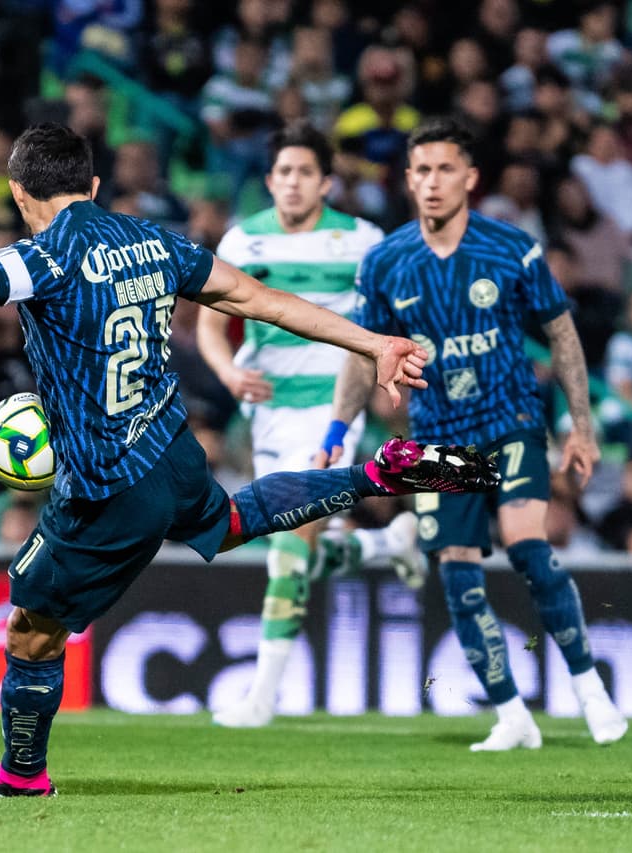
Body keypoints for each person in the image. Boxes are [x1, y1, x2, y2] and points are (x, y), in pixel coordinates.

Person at [0, 123, 498, 797]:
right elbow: (256, 297)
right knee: (235, 516)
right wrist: (372, 344)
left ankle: (22, 774)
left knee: (29, 626)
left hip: (105, 482)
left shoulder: (44, 256)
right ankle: (380, 472)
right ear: (90, 186)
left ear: (21, 193)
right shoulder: (152, 242)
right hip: (170, 449)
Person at [319, 116, 627, 751]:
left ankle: (589, 687)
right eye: (421, 171)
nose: (432, 183)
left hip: (509, 420)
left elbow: (562, 331)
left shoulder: (512, 249)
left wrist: (583, 428)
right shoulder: (385, 263)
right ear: (408, 180)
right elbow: (360, 353)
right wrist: (336, 427)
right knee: (457, 572)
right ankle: (513, 715)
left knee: (525, 544)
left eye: (444, 170)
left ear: (470, 178)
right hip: (439, 437)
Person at [196, 120, 424, 728]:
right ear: (268, 181)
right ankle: (381, 544)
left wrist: (386, 377)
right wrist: (226, 373)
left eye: (304, 173)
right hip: (268, 410)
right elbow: (211, 325)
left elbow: (392, 314)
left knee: (287, 552)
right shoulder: (245, 242)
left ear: (325, 182)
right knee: (287, 538)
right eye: (282, 173)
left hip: (331, 412)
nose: (292, 183)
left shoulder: (362, 241)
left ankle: (262, 697)